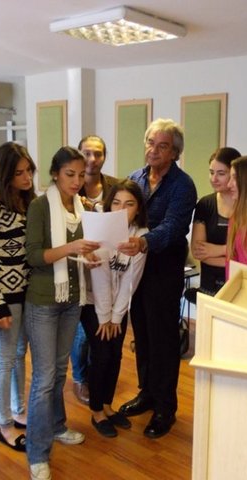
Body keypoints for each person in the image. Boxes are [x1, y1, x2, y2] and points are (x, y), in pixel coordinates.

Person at [24, 146, 100, 480]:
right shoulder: (40, 206)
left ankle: (56, 426)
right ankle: (37, 453)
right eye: (70, 174)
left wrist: (89, 257)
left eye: (81, 175)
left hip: (72, 299)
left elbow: (81, 253)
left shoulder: (83, 208)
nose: (76, 181)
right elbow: (33, 256)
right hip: (43, 300)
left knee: (58, 371)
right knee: (43, 379)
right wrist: (71, 248)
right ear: (55, 174)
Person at [119, 118, 197, 439]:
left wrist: (144, 241)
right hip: (135, 268)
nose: (154, 150)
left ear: (175, 152)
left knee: (163, 339)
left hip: (164, 271)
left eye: (162, 146)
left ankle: (166, 407)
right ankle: (147, 392)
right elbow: (122, 214)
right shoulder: (134, 178)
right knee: (142, 333)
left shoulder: (183, 185)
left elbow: (174, 227)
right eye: (151, 143)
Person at [0, 142, 36, 452]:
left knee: (19, 354)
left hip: (29, 292)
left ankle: (19, 409)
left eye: (29, 171)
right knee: (5, 357)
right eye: (19, 173)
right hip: (5, 294)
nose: (27, 178)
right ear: (4, 175)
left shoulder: (29, 202)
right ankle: (4, 424)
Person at [84, 180, 148, 438]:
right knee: (101, 355)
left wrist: (117, 317)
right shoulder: (99, 229)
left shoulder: (141, 235)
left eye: (129, 204)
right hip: (93, 304)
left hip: (118, 307)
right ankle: (96, 411)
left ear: (138, 208)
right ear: (109, 205)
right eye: (117, 203)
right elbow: (99, 277)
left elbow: (131, 280)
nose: (122, 209)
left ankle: (108, 406)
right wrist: (105, 318)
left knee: (115, 355)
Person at [70, 135, 119, 406]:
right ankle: (80, 377)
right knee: (81, 332)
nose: (92, 159)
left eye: (98, 153)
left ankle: (95, 376)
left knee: (100, 329)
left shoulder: (114, 186)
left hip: (106, 266)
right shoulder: (70, 188)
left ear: (104, 157)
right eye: (86, 153)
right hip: (78, 266)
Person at [190, 147, 241, 298]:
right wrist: (233, 257)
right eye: (211, 172)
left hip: (240, 285)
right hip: (209, 285)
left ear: (235, 174)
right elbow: (198, 252)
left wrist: (218, 250)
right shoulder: (205, 204)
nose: (214, 179)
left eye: (221, 173)